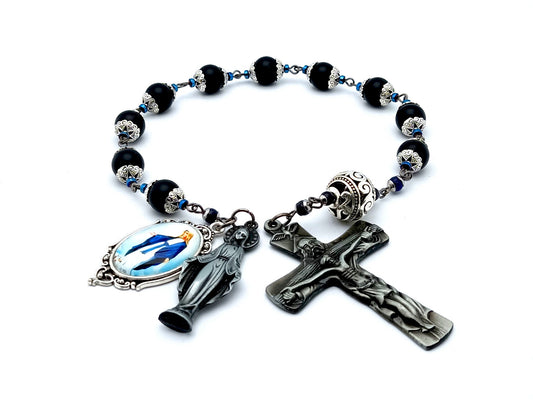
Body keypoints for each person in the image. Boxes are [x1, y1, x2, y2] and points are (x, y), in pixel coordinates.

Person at [129, 230, 193, 276]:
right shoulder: (175, 238)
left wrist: (169, 258)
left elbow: (176, 251)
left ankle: (134, 268)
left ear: (188, 237)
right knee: (142, 256)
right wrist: (157, 236)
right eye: (185, 233)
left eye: (187, 234)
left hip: (163, 254)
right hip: (156, 248)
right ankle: (131, 263)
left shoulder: (183, 245)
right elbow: (165, 238)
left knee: (147, 261)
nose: (184, 234)